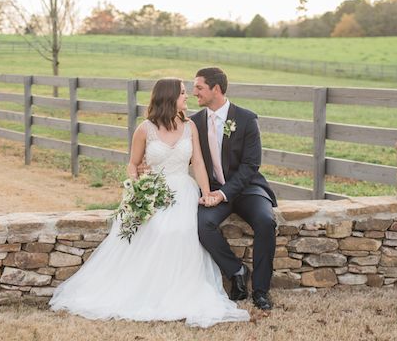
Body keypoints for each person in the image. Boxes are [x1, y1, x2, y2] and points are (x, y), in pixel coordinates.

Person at [49, 78, 250, 327]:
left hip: (184, 191)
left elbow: (198, 162)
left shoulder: (189, 126)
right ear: (169, 97)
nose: (187, 97)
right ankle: (148, 289)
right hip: (154, 191)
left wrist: (207, 193)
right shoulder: (145, 128)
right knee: (157, 229)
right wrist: (138, 189)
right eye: (183, 93)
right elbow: (133, 165)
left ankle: (179, 290)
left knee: (183, 230)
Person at [191, 67, 277, 311]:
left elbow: (251, 165)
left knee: (265, 222)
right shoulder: (194, 122)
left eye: (199, 87)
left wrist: (223, 193)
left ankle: (261, 291)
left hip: (248, 188)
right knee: (203, 225)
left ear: (216, 89)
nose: (193, 91)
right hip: (214, 189)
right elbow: (187, 156)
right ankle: (237, 270)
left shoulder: (247, 119)